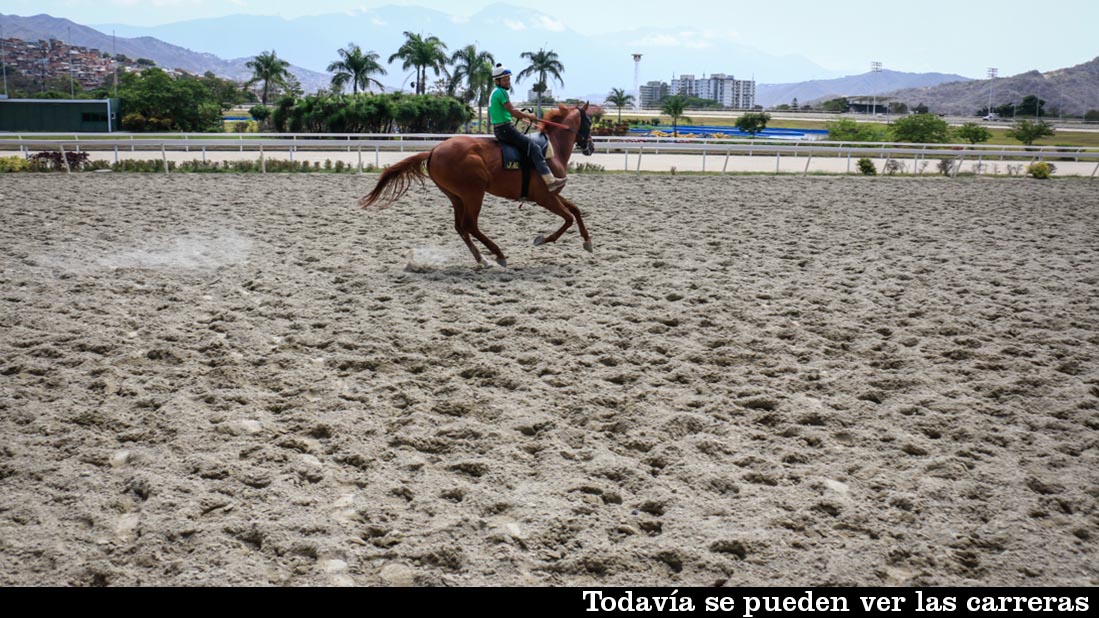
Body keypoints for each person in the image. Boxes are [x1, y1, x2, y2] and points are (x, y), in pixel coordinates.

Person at [488, 63, 566, 193]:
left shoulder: (495, 93)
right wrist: (528, 116)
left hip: (501, 128)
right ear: (497, 81)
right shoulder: (501, 93)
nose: (508, 81)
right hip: (506, 129)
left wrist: (523, 116)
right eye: (505, 79)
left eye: (508, 78)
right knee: (534, 147)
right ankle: (550, 181)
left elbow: (509, 112)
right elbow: (512, 111)